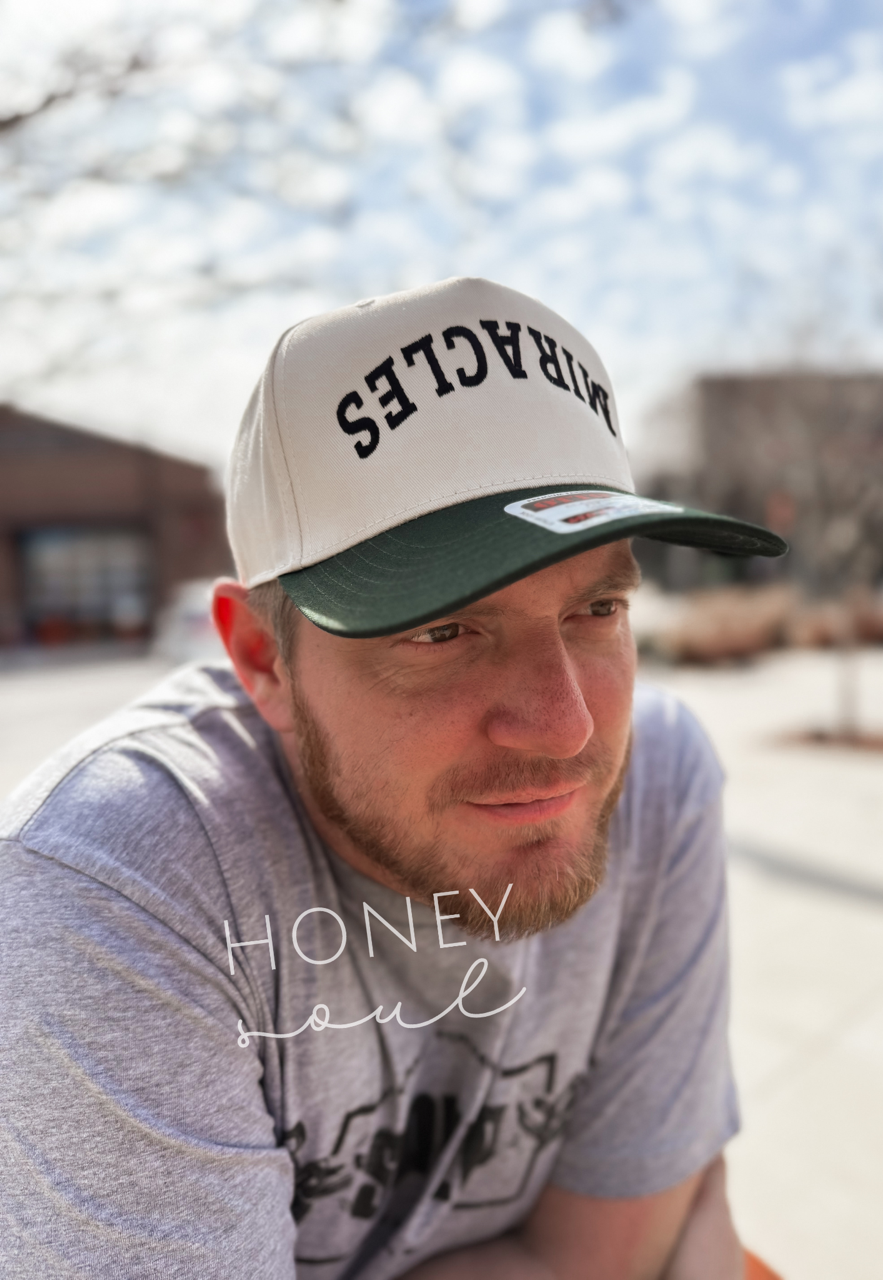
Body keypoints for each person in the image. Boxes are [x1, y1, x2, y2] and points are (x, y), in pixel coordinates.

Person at [0, 277, 786, 1280]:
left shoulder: (659, 776)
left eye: (596, 610)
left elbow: (612, 1259)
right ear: (263, 661)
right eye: (444, 629)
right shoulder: (108, 882)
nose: (566, 727)